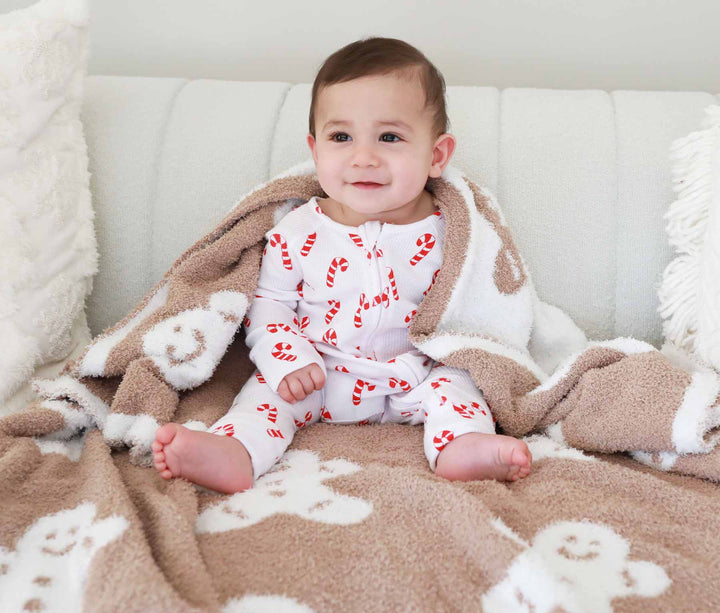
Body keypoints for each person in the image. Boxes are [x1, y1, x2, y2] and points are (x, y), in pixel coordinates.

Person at [151, 37, 532, 494]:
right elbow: (268, 306)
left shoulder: (453, 228)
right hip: (323, 374)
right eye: (341, 137)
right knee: (265, 397)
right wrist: (287, 360)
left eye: (389, 137)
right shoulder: (299, 229)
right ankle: (236, 452)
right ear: (316, 151)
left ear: (436, 155)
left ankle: (463, 448)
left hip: (417, 376)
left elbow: (482, 305)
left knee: (458, 385)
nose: (363, 157)